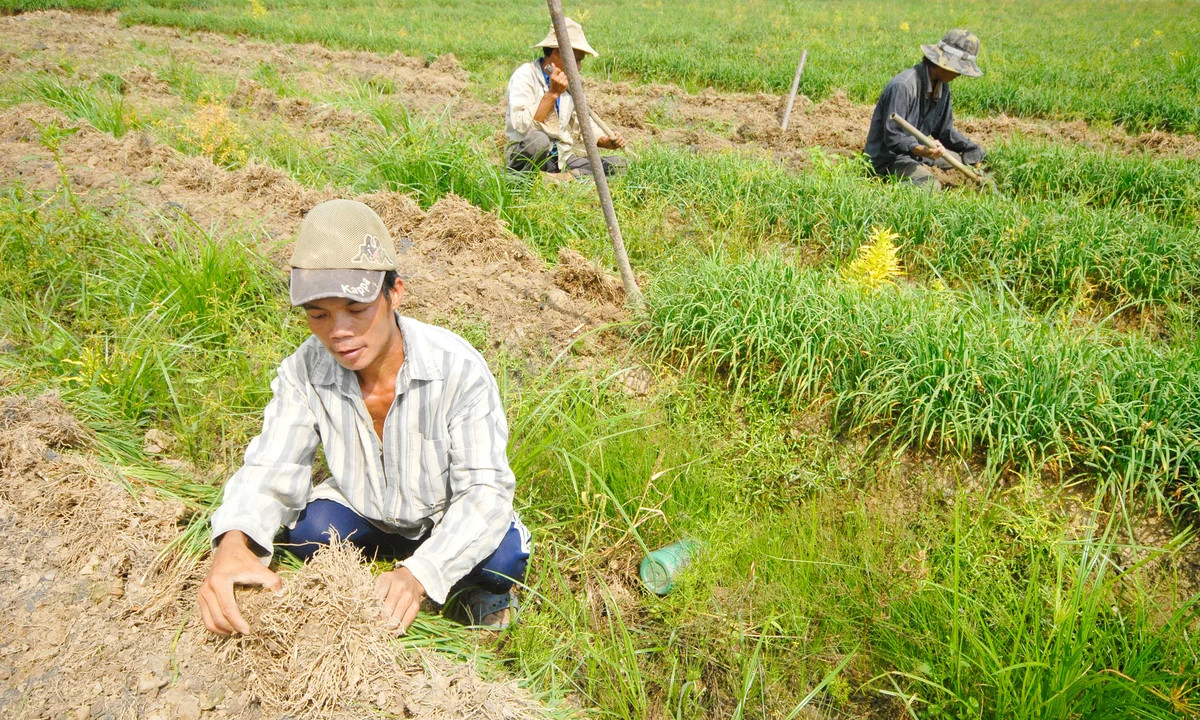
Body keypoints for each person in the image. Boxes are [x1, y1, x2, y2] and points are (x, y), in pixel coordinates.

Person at [197, 199, 530, 636]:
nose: (338, 332)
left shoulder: (456, 368)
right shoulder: (305, 372)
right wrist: (233, 542)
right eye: (318, 314)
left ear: (395, 293)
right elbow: (271, 465)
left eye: (356, 310)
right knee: (307, 531)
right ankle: (381, 566)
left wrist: (419, 576)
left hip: (443, 513)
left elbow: (484, 491)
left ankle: (476, 591)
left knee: (500, 559)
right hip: (369, 509)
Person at [864, 29, 986, 190]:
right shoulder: (903, 86)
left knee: (961, 161)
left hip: (917, 155)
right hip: (889, 159)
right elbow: (893, 137)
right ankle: (879, 193)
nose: (960, 74)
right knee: (930, 185)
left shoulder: (942, 88)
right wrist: (922, 150)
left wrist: (971, 149)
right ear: (943, 64)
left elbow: (944, 131)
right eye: (959, 69)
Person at [505, 17, 627, 178]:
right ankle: (542, 179)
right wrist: (552, 94)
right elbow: (522, 126)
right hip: (529, 155)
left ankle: (558, 178)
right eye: (576, 60)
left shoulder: (570, 83)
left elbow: (583, 121)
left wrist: (606, 140)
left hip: (561, 158)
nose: (579, 67)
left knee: (620, 165)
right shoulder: (525, 75)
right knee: (539, 140)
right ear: (556, 52)